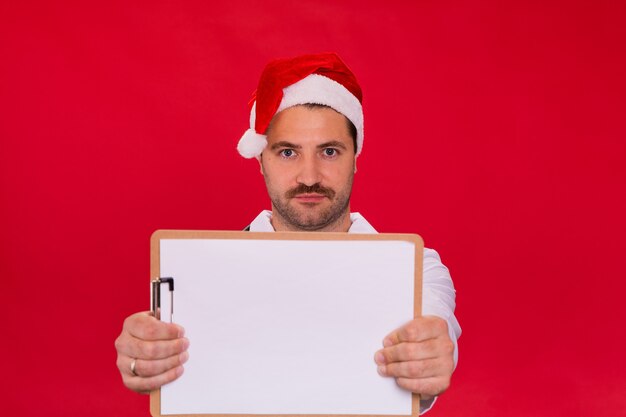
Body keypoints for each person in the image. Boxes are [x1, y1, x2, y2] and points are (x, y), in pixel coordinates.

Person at [114, 52, 461, 413]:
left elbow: (436, 324)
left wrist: (432, 352)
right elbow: (165, 355)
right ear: (261, 160)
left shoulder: (416, 267)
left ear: (355, 156)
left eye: (329, 151)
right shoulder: (198, 272)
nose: (309, 176)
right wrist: (144, 356)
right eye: (287, 152)